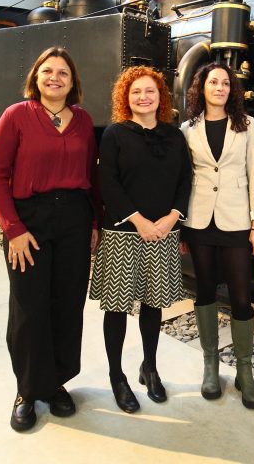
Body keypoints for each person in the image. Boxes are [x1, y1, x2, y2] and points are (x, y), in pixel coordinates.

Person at [0, 46, 99, 432]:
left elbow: (91, 177)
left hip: (74, 218)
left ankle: (55, 384)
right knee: (29, 306)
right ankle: (26, 390)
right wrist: (13, 229)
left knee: (67, 304)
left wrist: (95, 224)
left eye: (63, 73)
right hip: (29, 219)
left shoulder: (83, 121)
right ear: (35, 77)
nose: (55, 78)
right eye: (48, 71)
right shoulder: (16, 116)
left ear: (73, 81)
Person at [89, 66, 191, 413]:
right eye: (136, 92)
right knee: (116, 308)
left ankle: (149, 367)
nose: (143, 97)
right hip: (122, 233)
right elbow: (109, 183)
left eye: (150, 91)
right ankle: (117, 376)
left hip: (163, 232)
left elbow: (184, 181)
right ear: (125, 97)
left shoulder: (174, 136)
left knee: (153, 305)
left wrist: (172, 218)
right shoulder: (114, 134)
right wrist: (140, 221)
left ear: (161, 97)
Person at [181, 63, 254, 409]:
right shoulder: (187, 129)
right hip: (200, 219)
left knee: (241, 295)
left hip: (236, 220)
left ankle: (245, 372)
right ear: (201, 88)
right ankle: (210, 365)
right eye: (212, 82)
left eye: (225, 83)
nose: (219, 87)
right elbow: (183, 176)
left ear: (232, 90)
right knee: (204, 291)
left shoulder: (246, 125)